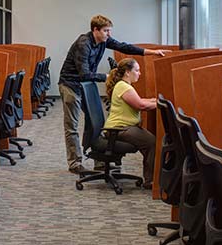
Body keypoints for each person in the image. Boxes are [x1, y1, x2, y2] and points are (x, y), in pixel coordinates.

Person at [58, 15, 170, 174]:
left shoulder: (104, 40)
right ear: (95, 30)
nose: (108, 34)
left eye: (109, 31)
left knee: (93, 121)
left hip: (87, 84)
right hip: (71, 84)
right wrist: (107, 77)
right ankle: (75, 163)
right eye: (105, 31)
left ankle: (100, 161)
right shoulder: (84, 44)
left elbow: (125, 47)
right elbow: (84, 74)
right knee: (72, 125)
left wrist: (152, 52)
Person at [104, 58, 157, 188]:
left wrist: (153, 100)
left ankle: (152, 176)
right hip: (118, 129)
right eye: (137, 70)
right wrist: (160, 103)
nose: (140, 73)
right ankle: (150, 181)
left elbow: (139, 100)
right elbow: (140, 105)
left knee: (150, 141)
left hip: (123, 127)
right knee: (152, 142)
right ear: (127, 72)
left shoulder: (124, 85)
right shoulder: (123, 86)